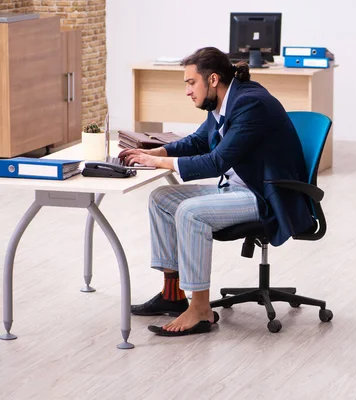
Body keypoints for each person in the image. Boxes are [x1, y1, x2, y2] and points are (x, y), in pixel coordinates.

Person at [119, 47, 314, 337]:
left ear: (212, 80)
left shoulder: (250, 104)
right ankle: (172, 294)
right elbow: (199, 142)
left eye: (190, 82)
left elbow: (216, 161)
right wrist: (156, 150)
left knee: (190, 212)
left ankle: (200, 310)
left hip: (267, 195)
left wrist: (158, 162)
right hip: (238, 188)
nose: (187, 91)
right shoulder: (226, 100)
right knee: (161, 199)